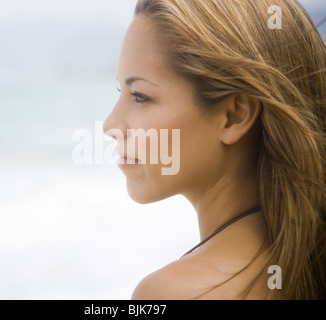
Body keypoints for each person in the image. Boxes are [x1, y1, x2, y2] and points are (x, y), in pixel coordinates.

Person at [103, 0, 326, 300]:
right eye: (122, 92)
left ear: (234, 116)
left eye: (140, 96)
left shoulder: (174, 292)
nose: (110, 125)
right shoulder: (302, 265)